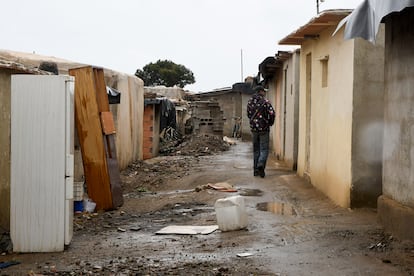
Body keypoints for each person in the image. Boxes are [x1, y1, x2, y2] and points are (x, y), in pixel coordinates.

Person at [247, 85, 275, 178]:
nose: (265, 93)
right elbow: (272, 114)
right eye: (264, 91)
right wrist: (269, 123)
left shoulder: (250, 102)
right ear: (261, 91)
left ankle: (255, 170)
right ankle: (261, 165)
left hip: (254, 129)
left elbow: (248, 114)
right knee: (264, 149)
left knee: (256, 150)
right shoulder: (265, 102)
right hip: (264, 129)